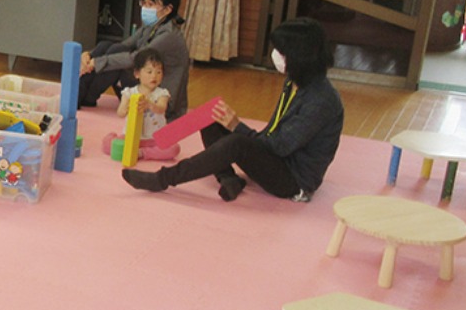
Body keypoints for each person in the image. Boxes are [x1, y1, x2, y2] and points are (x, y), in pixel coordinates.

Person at [122, 17, 344, 202]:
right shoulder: (295, 81)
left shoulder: (321, 100)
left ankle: (162, 180)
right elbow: (273, 133)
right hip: (274, 160)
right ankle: (228, 178)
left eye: (281, 51)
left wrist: (238, 127)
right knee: (211, 117)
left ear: (298, 57)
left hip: (294, 181)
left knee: (236, 142)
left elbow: (279, 146)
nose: (275, 54)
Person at [79, 0, 190, 120]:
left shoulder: (169, 36)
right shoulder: (152, 26)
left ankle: (83, 96)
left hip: (160, 102)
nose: (145, 8)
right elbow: (125, 45)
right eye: (144, 3)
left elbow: (136, 58)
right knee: (108, 46)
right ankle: (82, 94)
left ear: (167, 9)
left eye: (151, 5)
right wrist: (89, 54)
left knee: (118, 60)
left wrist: (98, 61)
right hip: (145, 85)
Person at [101, 47, 181, 161]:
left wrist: (150, 104)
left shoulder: (162, 93)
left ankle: (143, 153)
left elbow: (161, 108)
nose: (154, 76)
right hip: (131, 137)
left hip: (155, 139)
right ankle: (120, 142)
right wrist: (126, 108)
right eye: (149, 72)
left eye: (159, 72)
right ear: (137, 73)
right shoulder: (129, 92)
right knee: (107, 145)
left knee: (174, 149)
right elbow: (120, 113)